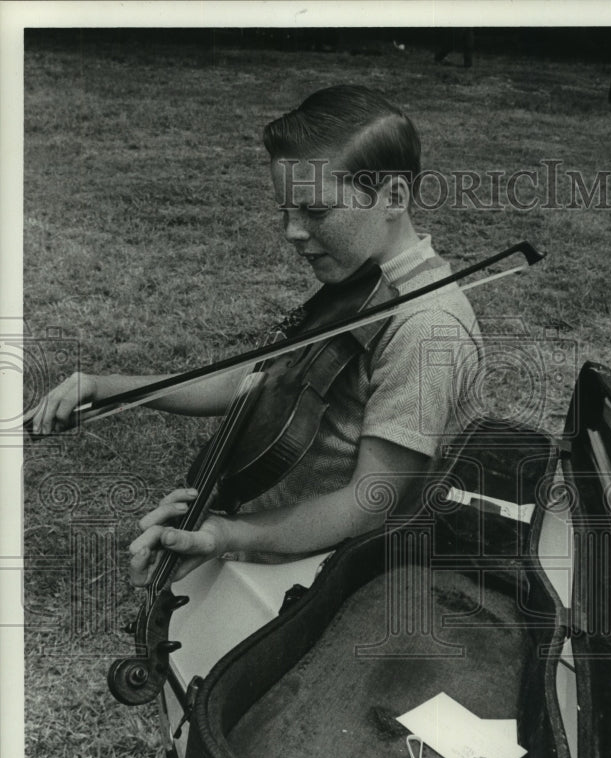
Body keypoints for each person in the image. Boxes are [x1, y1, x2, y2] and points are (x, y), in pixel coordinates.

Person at [30, 85, 482, 586]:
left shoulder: (427, 327)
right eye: (284, 211)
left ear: (393, 196)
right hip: (273, 541)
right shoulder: (364, 285)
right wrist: (105, 387)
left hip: (328, 579)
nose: (292, 231)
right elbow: (260, 381)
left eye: (314, 211)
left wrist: (226, 534)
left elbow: (369, 503)